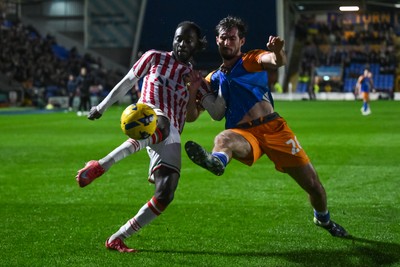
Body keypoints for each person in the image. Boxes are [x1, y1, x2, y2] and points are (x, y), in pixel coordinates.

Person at [185, 16, 348, 238]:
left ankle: (323, 219)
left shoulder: (250, 59)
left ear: (241, 41)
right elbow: (191, 117)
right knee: (223, 139)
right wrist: (193, 90)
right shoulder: (212, 78)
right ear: (217, 40)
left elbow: (275, 60)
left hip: (274, 129)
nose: (227, 42)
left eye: (232, 38)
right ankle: (217, 161)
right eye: (223, 38)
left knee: (313, 186)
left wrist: (279, 50)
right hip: (243, 134)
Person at [75, 21, 208, 252]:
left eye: (188, 40)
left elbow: (199, 114)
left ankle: (117, 237)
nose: (181, 43)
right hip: (147, 114)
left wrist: (201, 90)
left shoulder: (194, 77)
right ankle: (101, 165)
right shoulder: (155, 57)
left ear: (197, 45)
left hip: (172, 133)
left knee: (166, 193)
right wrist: (102, 107)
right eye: (178, 38)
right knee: (161, 123)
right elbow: (128, 81)